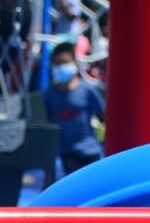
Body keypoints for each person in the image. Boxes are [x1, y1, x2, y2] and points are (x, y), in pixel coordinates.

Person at [43, 41, 105, 175]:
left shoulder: (87, 90)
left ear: (75, 64)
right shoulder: (50, 95)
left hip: (90, 151)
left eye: (65, 63)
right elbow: (49, 122)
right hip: (66, 155)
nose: (61, 67)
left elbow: (103, 116)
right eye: (58, 63)